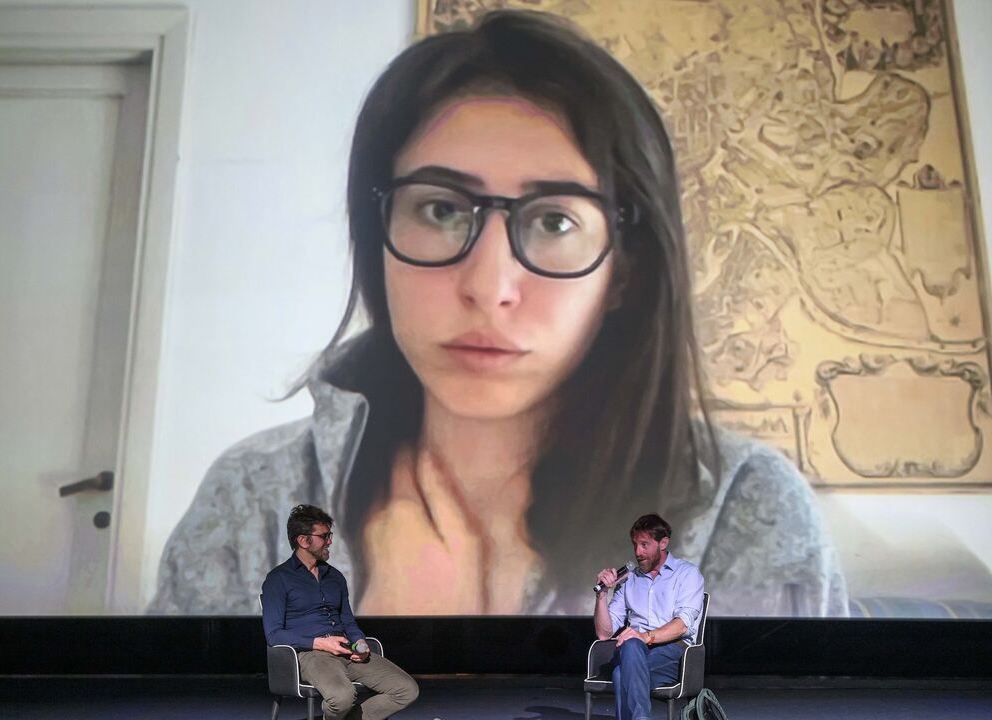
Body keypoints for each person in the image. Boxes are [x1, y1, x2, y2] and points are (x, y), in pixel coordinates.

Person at [152, 10, 846, 617]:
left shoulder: (738, 511)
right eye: (442, 209)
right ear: (377, 235)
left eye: (553, 222)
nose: (489, 286)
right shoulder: (256, 501)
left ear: (625, 269)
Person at [261, 505, 418, 720]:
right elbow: (274, 634)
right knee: (342, 697)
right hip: (311, 655)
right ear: (303, 541)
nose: (329, 541)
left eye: (329, 535)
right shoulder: (278, 579)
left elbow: (348, 621)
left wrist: (360, 643)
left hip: (347, 650)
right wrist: (320, 643)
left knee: (406, 689)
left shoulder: (334, 577)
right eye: (324, 536)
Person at [594, 514, 704, 720]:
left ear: (663, 543)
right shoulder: (629, 580)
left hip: (674, 651)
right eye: (635, 545)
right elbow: (604, 633)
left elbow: (682, 626)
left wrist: (643, 637)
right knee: (629, 651)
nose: (638, 552)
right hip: (634, 652)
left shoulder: (687, 574)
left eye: (644, 545)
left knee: (621, 672)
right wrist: (601, 596)